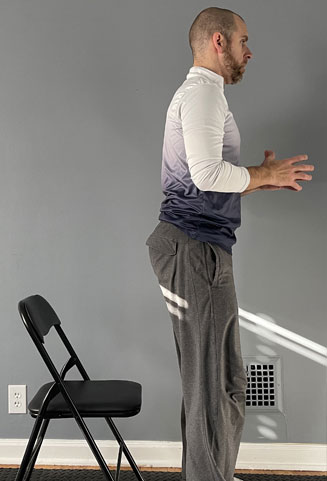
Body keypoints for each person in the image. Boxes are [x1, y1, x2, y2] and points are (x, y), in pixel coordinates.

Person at [145, 7, 314, 481]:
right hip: (192, 249)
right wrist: (261, 175)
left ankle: (213, 472)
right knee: (210, 389)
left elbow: (210, 182)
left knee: (225, 383)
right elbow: (205, 175)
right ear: (218, 42)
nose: (249, 50)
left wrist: (264, 181)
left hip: (202, 248)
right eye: (243, 41)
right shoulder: (201, 96)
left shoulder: (209, 96)